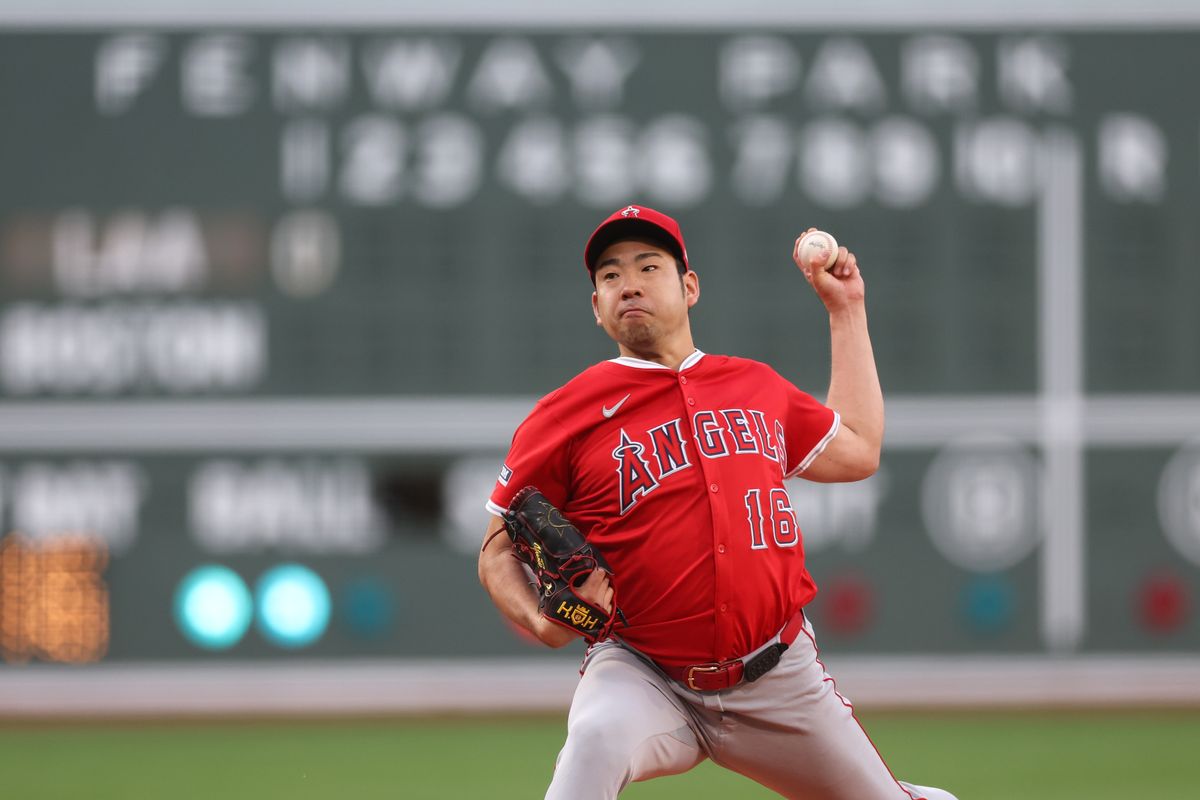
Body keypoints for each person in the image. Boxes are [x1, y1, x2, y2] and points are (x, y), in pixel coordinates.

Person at [478, 204, 957, 800]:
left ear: (689, 287)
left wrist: (846, 309)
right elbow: (498, 545)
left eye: (649, 266)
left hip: (777, 676)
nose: (628, 282)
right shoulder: (563, 414)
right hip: (644, 672)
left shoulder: (754, 385)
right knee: (596, 738)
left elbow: (858, 448)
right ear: (596, 306)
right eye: (609, 275)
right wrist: (538, 619)